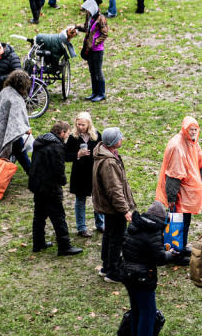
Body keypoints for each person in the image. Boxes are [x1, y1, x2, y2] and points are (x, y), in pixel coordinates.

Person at [120, 201, 175, 336]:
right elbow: (159, 258)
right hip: (142, 277)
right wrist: (170, 254)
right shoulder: (153, 233)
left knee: (137, 308)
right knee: (148, 312)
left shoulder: (134, 226)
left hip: (127, 274)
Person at [155, 116, 202, 264]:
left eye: (196, 129)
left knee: (185, 221)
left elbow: (200, 162)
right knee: (177, 223)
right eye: (191, 129)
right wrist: (171, 198)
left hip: (189, 193)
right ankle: (175, 254)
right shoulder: (177, 146)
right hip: (180, 194)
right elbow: (173, 176)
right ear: (185, 129)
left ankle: (181, 247)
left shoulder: (192, 142)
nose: (194, 132)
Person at [29, 120, 82, 257]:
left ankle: (38, 243)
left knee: (39, 215)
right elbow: (59, 168)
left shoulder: (41, 141)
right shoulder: (56, 146)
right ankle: (64, 246)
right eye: (67, 133)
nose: (67, 137)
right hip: (50, 187)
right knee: (59, 216)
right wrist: (63, 181)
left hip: (38, 184)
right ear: (62, 132)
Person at [92, 127, 136, 282]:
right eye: (119, 137)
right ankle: (113, 272)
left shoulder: (106, 154)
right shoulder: (109, 162)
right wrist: (124, 210)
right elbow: (114, 190)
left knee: (109, 235)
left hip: (109, 206)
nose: (122, 139)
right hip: (114, 208)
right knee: (116, 239)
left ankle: (106, 266)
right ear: (113, 142)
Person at [65, 111, 105, 237]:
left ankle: (100, 224)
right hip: (80, 174)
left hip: (94, 172)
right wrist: (77, 155)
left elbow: (104, 151)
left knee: (97, 199)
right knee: (80, 200)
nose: (80, 127)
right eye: (78, 125)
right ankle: (81, 227)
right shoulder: (73, 137)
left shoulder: (97, 136)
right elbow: (65, 155)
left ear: (89, 124)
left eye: (83, 125)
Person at [79, 0, 109, 102]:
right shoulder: (89, 16)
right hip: (88, 48)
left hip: (97, 50)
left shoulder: (101, 18)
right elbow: (87, 28)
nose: (86, 11)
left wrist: (95, 42)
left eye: (88, 9)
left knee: (98, 71)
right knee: (92, 71)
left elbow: (105, 34)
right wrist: (77, 27)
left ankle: (101, 93)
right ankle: (94, 92)